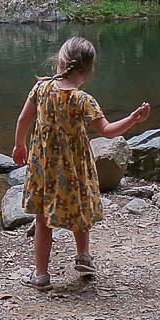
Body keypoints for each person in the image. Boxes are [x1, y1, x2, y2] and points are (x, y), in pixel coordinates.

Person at [11, 35, 150, 285]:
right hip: (74, 167)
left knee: (42, 220)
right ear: (89, 70)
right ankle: (83, 256)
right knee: (80, 209)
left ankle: (41, 275)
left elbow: (23, 120)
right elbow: (107, 131)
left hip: (44, 168)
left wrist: (19, 145)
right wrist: (132, 119)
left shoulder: (40, 89)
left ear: (60, 62)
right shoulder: (83, 100)